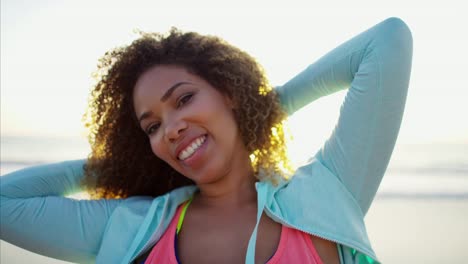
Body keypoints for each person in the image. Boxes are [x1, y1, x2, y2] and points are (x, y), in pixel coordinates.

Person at [0, 17, 413, 264]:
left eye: (184, 99)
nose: (172, 128)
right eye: (152, 128)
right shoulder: (134, 227)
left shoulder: (326, 193)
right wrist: (128, 167)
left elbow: (387, 42)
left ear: (230, 94)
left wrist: (264, 111)